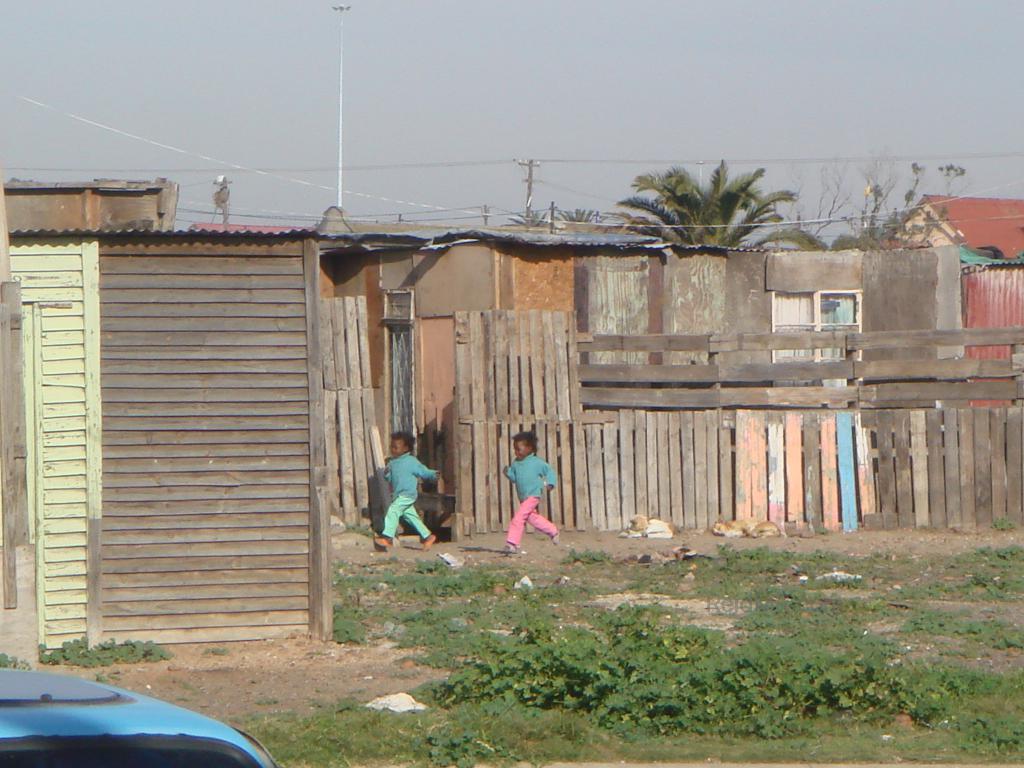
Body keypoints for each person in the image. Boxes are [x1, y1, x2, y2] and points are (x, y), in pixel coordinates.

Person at [375, 431, 438, 551]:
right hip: (399, 495)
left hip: (407, 494)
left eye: (396, 447)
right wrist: (387, 473)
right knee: (411, 517)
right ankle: (428, 536)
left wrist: (432, 474)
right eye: (391, 447)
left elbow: (422, 471)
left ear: (405, 448)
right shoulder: (392, 463)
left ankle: (387, 537)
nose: (393, 449)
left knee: (393, 510)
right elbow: (389, 478)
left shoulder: (411, 461)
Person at [503, 431, 559, 554]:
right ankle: (553, 531)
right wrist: (508, 473)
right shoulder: (516, 463)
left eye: (519, 449)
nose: (516, 452)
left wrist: (550, 483)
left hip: (533, 495)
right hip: (523, 497)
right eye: (515, 449)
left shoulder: (536, 462)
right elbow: (514, 479)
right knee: (532, 518)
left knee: (518, 518)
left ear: (529, 448)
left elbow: (549, 471)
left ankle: (512, 543)